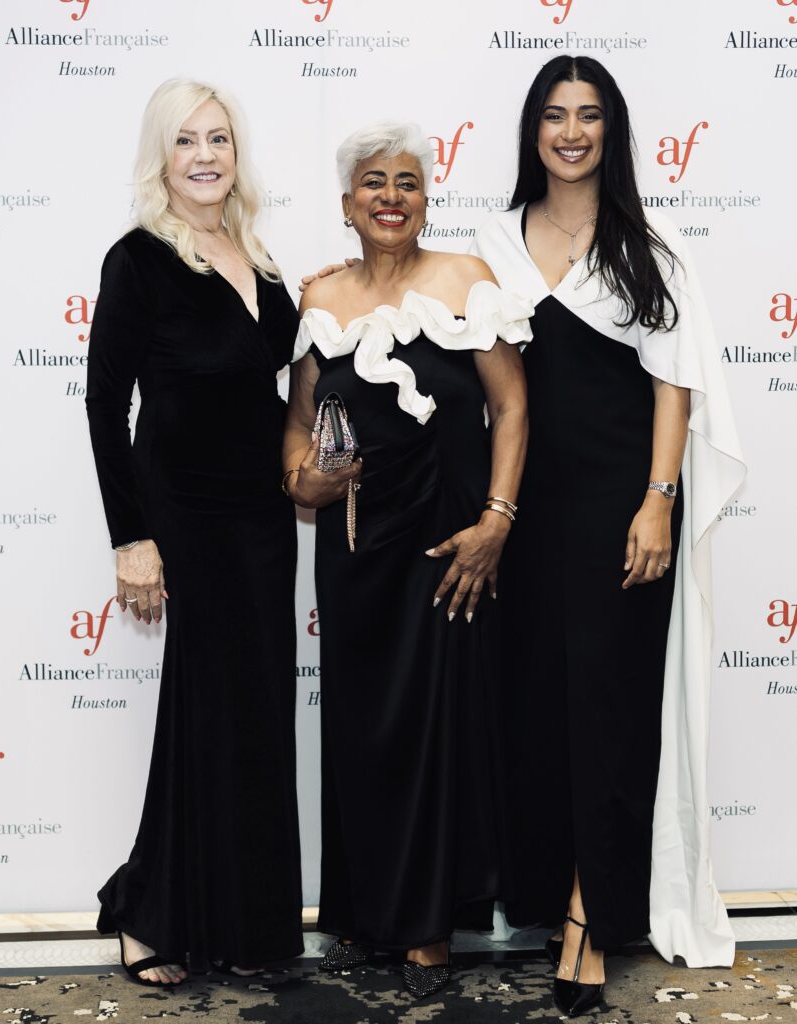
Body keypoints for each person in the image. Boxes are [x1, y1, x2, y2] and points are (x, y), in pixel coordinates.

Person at [471, 56, 745, 1015]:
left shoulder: (648, 246)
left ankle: (593, 915)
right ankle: (549, 896)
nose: (571, 132)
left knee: (609, 710)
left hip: (616, 509)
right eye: (554, 115)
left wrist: (658, 498)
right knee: (536, 707)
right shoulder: (493, 242)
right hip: (520, 510)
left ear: (611, 129)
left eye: (588, 116)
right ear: (532, 131)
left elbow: (674, 383)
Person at [283, 120, 530, 999]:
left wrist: (498, 518)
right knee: (365, 728)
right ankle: (369, 910)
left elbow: (510, 408)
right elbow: (299, 437)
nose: (390, 196)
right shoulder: (318, 300)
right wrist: (307, 482)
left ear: (427, 198)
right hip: (355, 556)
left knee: (437, 727)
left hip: (449, 544)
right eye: (372, 184)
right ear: (347, 203)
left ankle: (428, 922)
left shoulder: (466, 281)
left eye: (407, 183)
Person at [86, 79, 303, 985]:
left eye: (219, 138)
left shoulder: (260, 256)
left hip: (262, 513)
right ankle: (151, 916)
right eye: (186, 141)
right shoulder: (138, 259)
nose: (206, 155)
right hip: (185, 509)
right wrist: (132, 539)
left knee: (257, 711)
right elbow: (106, 404)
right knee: (203, 709)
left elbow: (285, 378)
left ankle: (249, 929)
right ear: (161, 157)